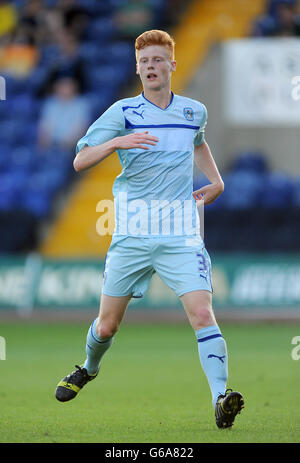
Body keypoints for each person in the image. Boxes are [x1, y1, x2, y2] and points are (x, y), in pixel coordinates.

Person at [55, 30, 244, 429]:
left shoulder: (194, 111)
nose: (150, 67)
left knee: (203, 313)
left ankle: (220, 398)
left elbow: (198, 142)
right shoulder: (122, 112)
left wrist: (217, 180)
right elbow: (81, 160)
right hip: (133, 235)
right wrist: (118, 142)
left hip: (180, 233)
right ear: (137, 68)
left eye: (158, 60)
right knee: (107, 325)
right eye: (144, 62)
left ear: (172, 65)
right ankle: (88, 367)